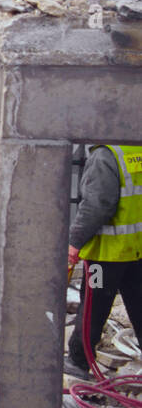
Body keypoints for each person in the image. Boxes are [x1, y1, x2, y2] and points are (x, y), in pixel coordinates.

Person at [66, 143, 142, 377]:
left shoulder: (105, 156)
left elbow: (97, 206)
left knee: (93, 308)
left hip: (104, 256)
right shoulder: (135, 151)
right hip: (136, 251)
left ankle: (79, 362)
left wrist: (75, 242)